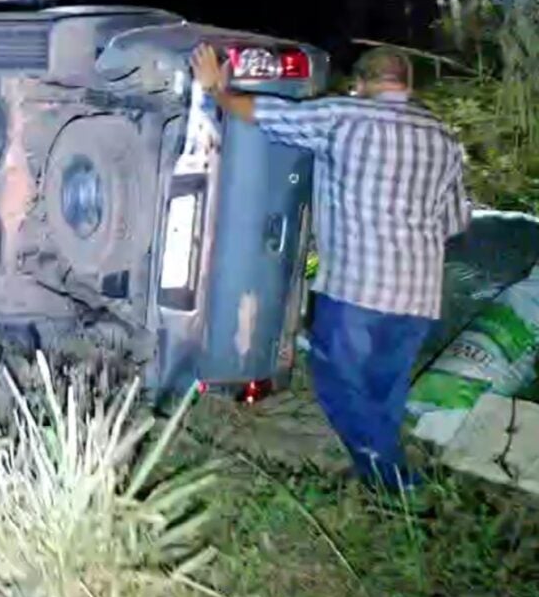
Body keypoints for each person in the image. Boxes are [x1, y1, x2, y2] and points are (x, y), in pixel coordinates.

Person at [190, 44, 470, 488]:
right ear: (408, 84)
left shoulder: (344, 116)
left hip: (358, 290)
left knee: (336, 380)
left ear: (360, 84)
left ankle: (398, 482)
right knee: (383, 393)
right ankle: (383, 487)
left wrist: (217, 91)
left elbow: (264, 113)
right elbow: (456, 221)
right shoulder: (444, 137)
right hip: (418, 295)